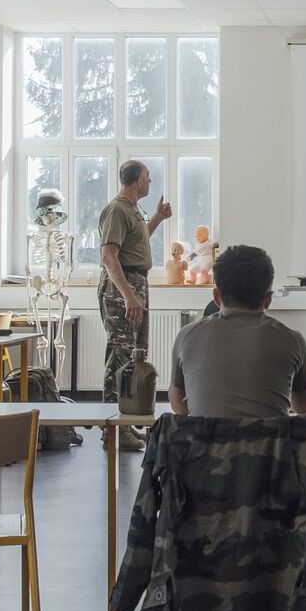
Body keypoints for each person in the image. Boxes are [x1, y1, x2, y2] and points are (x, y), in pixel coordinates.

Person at [168, 245, 306, 419]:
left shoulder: (187, 336)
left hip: (206, 446)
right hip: (269, 446)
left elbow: (179, 406)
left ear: (216, 297)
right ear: (268, 299)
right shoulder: (292, 340)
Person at [98, 160, 170, 446]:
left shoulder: (132, 211)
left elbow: (136, 243)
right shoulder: (116, 210)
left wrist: (157, 219)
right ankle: (112, 429)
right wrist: (128, 296)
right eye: (147, 178)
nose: (150, 183)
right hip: (122, 286)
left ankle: (126, 422)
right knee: (121, 354)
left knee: (136, 353)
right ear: (136, 181)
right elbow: (109, 257)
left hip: (137, 282)